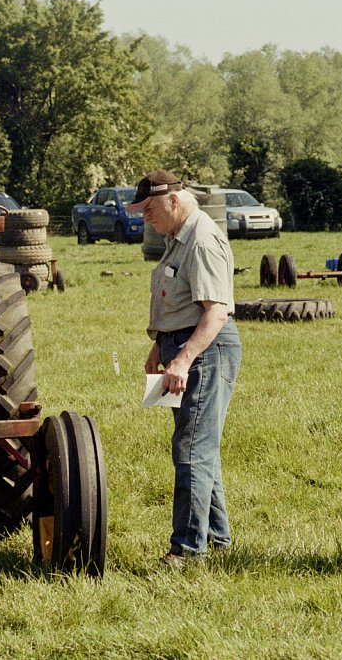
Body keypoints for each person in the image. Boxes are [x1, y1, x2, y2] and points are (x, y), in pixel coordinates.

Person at [127, 170, 242, 567]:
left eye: (150, 209)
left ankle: (187, 550)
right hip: (183, 347)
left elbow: (217, 312)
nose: (146, 218)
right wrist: (159, 346)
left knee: (192, 448)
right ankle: (216, 539)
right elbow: (179, 301)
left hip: (205, 349)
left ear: (173, 200)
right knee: (198, 447)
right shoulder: (178, 237)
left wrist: (183, 358)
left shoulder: (202, 240)